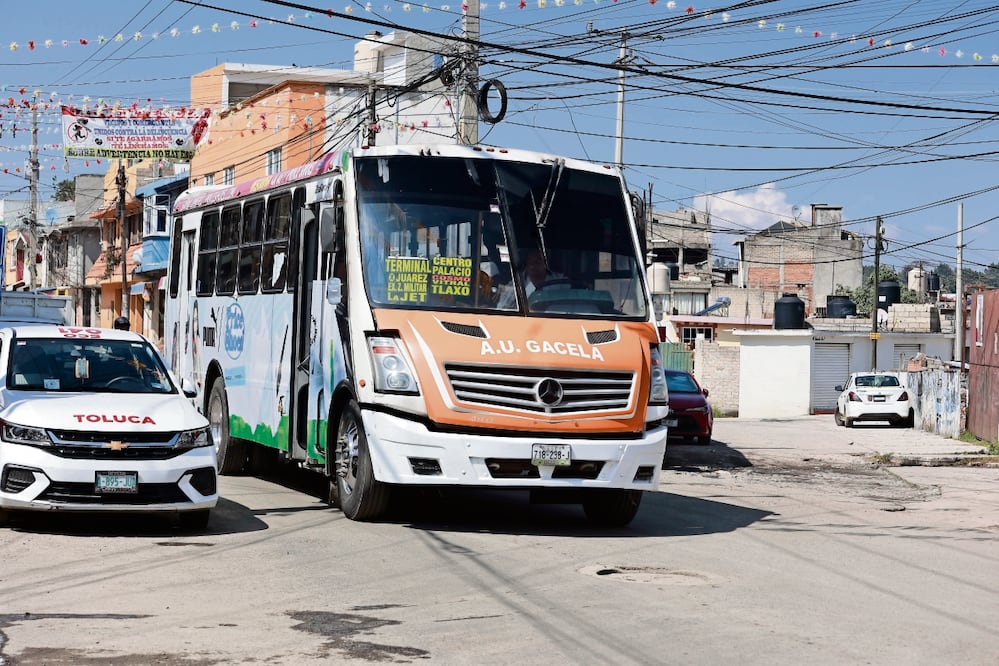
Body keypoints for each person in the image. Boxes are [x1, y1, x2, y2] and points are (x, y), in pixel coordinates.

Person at [497, 249, 568, 309]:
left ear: (546, 262)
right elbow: (502, 308)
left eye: (538, 261)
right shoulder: (516, 284)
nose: (533, 265)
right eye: (530, 261)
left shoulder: (561, 281)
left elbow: (570, 305)